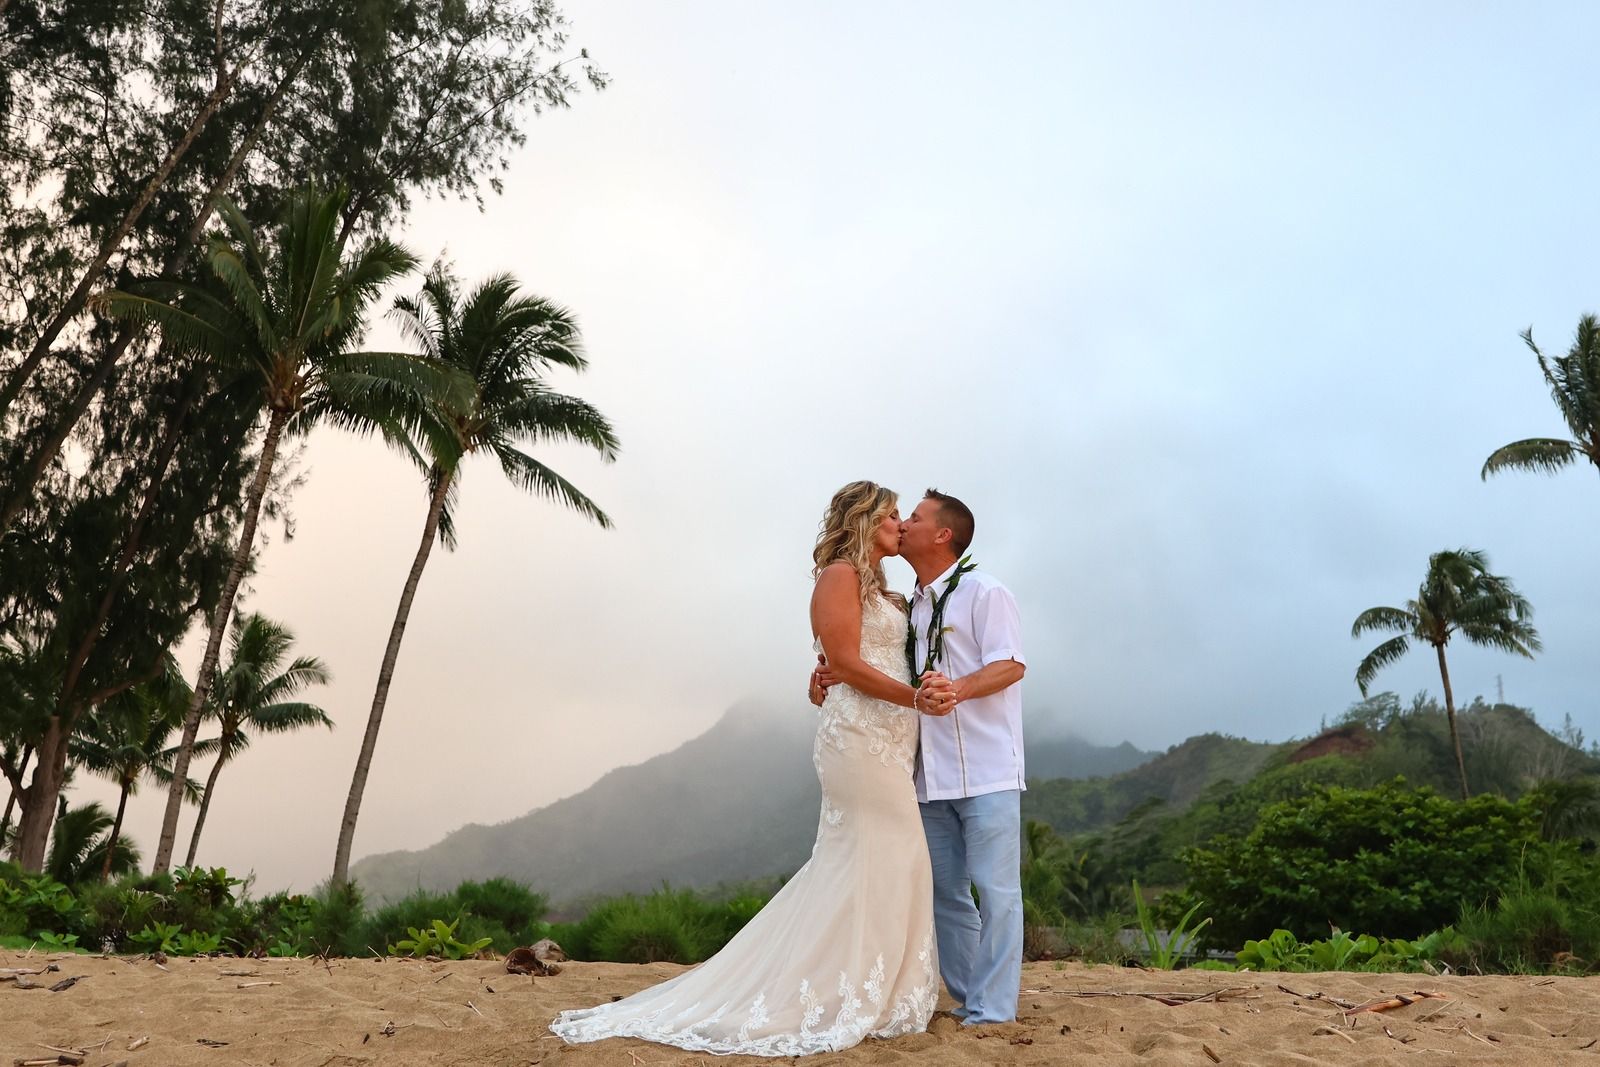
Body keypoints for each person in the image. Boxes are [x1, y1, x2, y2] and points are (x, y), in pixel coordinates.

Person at [550, 480, 955, 1056]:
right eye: (891, 515)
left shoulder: (882, 589)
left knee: (884, 861)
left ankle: (875, 989)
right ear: (865, 520)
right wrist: (912, 698)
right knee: (886, 855)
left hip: (890, 739)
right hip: (862, 741)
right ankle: (846, 992)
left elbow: (853, 660)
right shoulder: (839, 575)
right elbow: (841, 661)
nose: (899, 525)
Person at [811, 488, 1027, 1026]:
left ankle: (995, 1009)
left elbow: (1012, 665)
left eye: (914, 517)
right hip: (924, 775)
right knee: (945, 893)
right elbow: (865, 654)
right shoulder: (911, 603)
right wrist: (830, 670)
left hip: (987, 770)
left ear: (943, 534)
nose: (903, 524)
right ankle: (970, 996)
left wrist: (959, 688)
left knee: (997, 893)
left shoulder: (984, 591)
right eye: (897, 515)